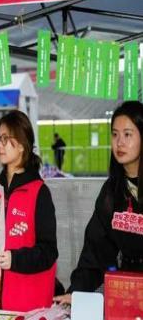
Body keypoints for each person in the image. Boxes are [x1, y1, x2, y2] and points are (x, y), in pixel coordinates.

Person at [55, 101, 143, 305]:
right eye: (115, 134)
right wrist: (76, 293)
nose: (119, 142)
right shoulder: (112, 191)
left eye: (128, 134)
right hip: (129, 293)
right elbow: (95, 251)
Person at [0, 110, 58, 312]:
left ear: (22, 145)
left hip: (26, 305)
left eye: (6, 139)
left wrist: (15, 259)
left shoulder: (39, 192)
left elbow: (48, 252)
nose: (0, 145)